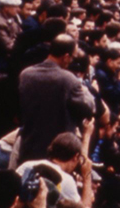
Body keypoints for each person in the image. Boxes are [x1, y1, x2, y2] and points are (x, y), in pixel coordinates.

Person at [16, 34, 96, 163]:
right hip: (58, 153)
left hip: (29, 147)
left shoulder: (26, 74)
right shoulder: (68, 79)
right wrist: (85, 89)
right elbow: (88, 108)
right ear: (66, 57)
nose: (72, 62)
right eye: (72, 58)